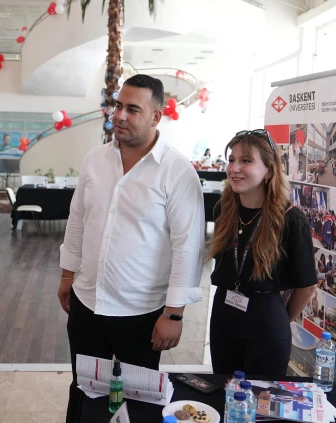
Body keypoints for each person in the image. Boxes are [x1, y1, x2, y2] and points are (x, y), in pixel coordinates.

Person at [58, 74, 205, 423]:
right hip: (87, 303)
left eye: (133, 109)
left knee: (138, 404)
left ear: (156, 116)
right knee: (85, 392)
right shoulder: (95, 159)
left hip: (142, 314)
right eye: (118, 106)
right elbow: (77, 220)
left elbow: (187, 247)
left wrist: (174, 314)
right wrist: (67, 274)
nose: (120, 116)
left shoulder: (177, 172)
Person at [209, 129, 317, 376]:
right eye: (232, 160)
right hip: (223, 317)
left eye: (246, 160)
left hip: (265, 322)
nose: (234, 168)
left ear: (269, 170)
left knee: (261, 397)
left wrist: (279, 319)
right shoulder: (224, 212)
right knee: (225, 392)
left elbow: (307, 285)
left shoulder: (290, 220)